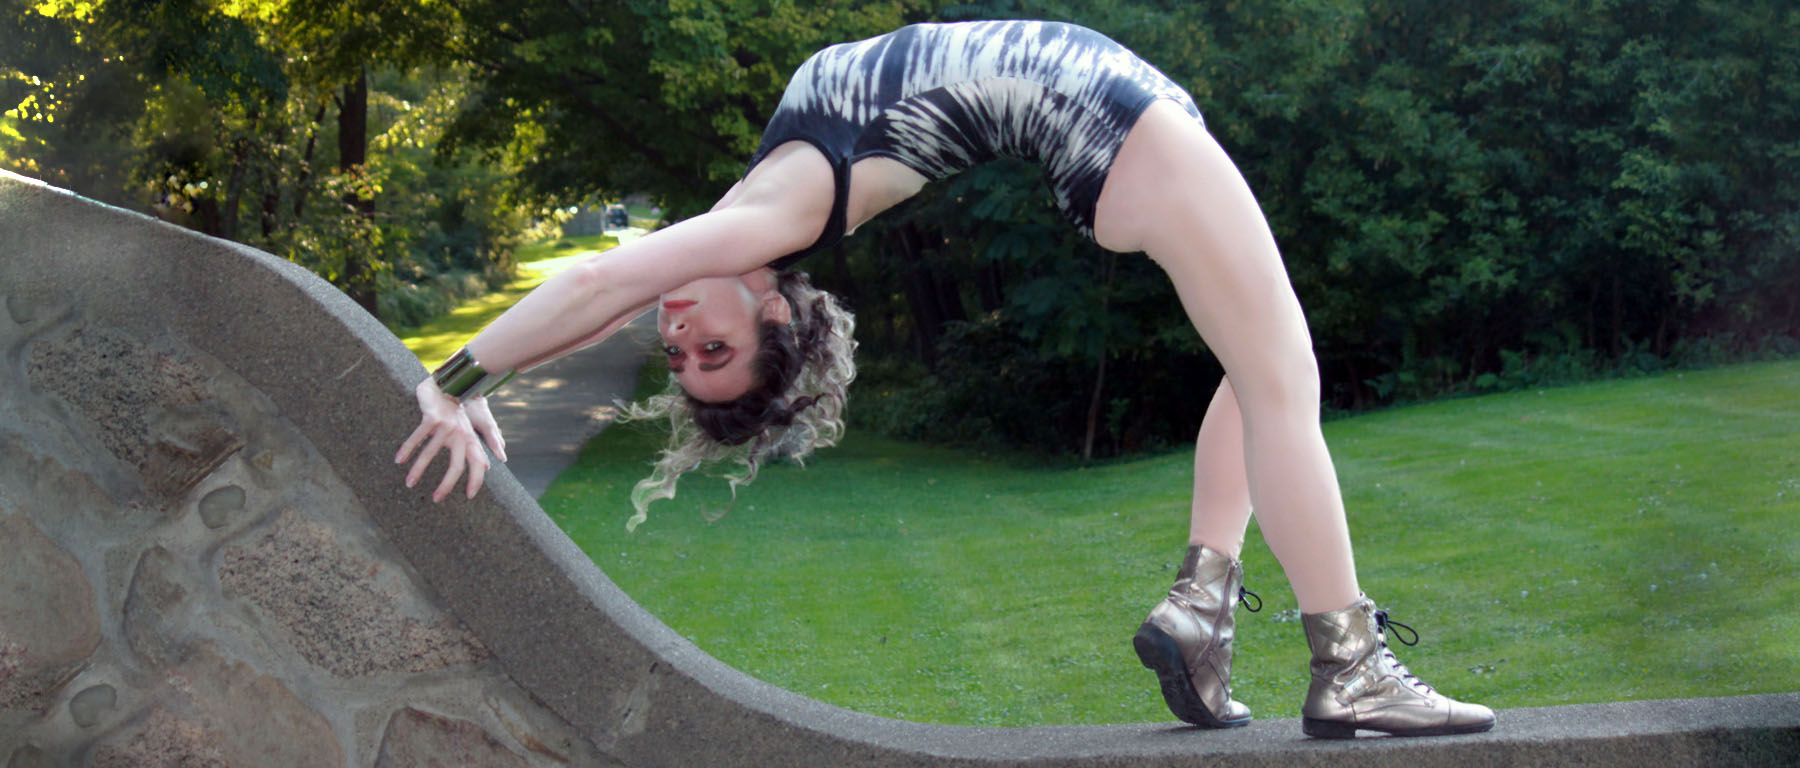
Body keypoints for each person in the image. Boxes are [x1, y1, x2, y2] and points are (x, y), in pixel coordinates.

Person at [395, 20, 1495, 739]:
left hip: (1120, 125)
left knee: (1253, 373)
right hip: (1114, 127)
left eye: (684, 358)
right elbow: (597, 279)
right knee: (1283, 374)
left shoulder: (760, 194)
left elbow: (606, 288)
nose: (677, 336)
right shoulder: (776, 217)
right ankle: (1346, 660)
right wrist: (457, 378)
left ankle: (1203, 604)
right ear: (774, 310)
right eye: (707, 355)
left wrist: (488, 372)